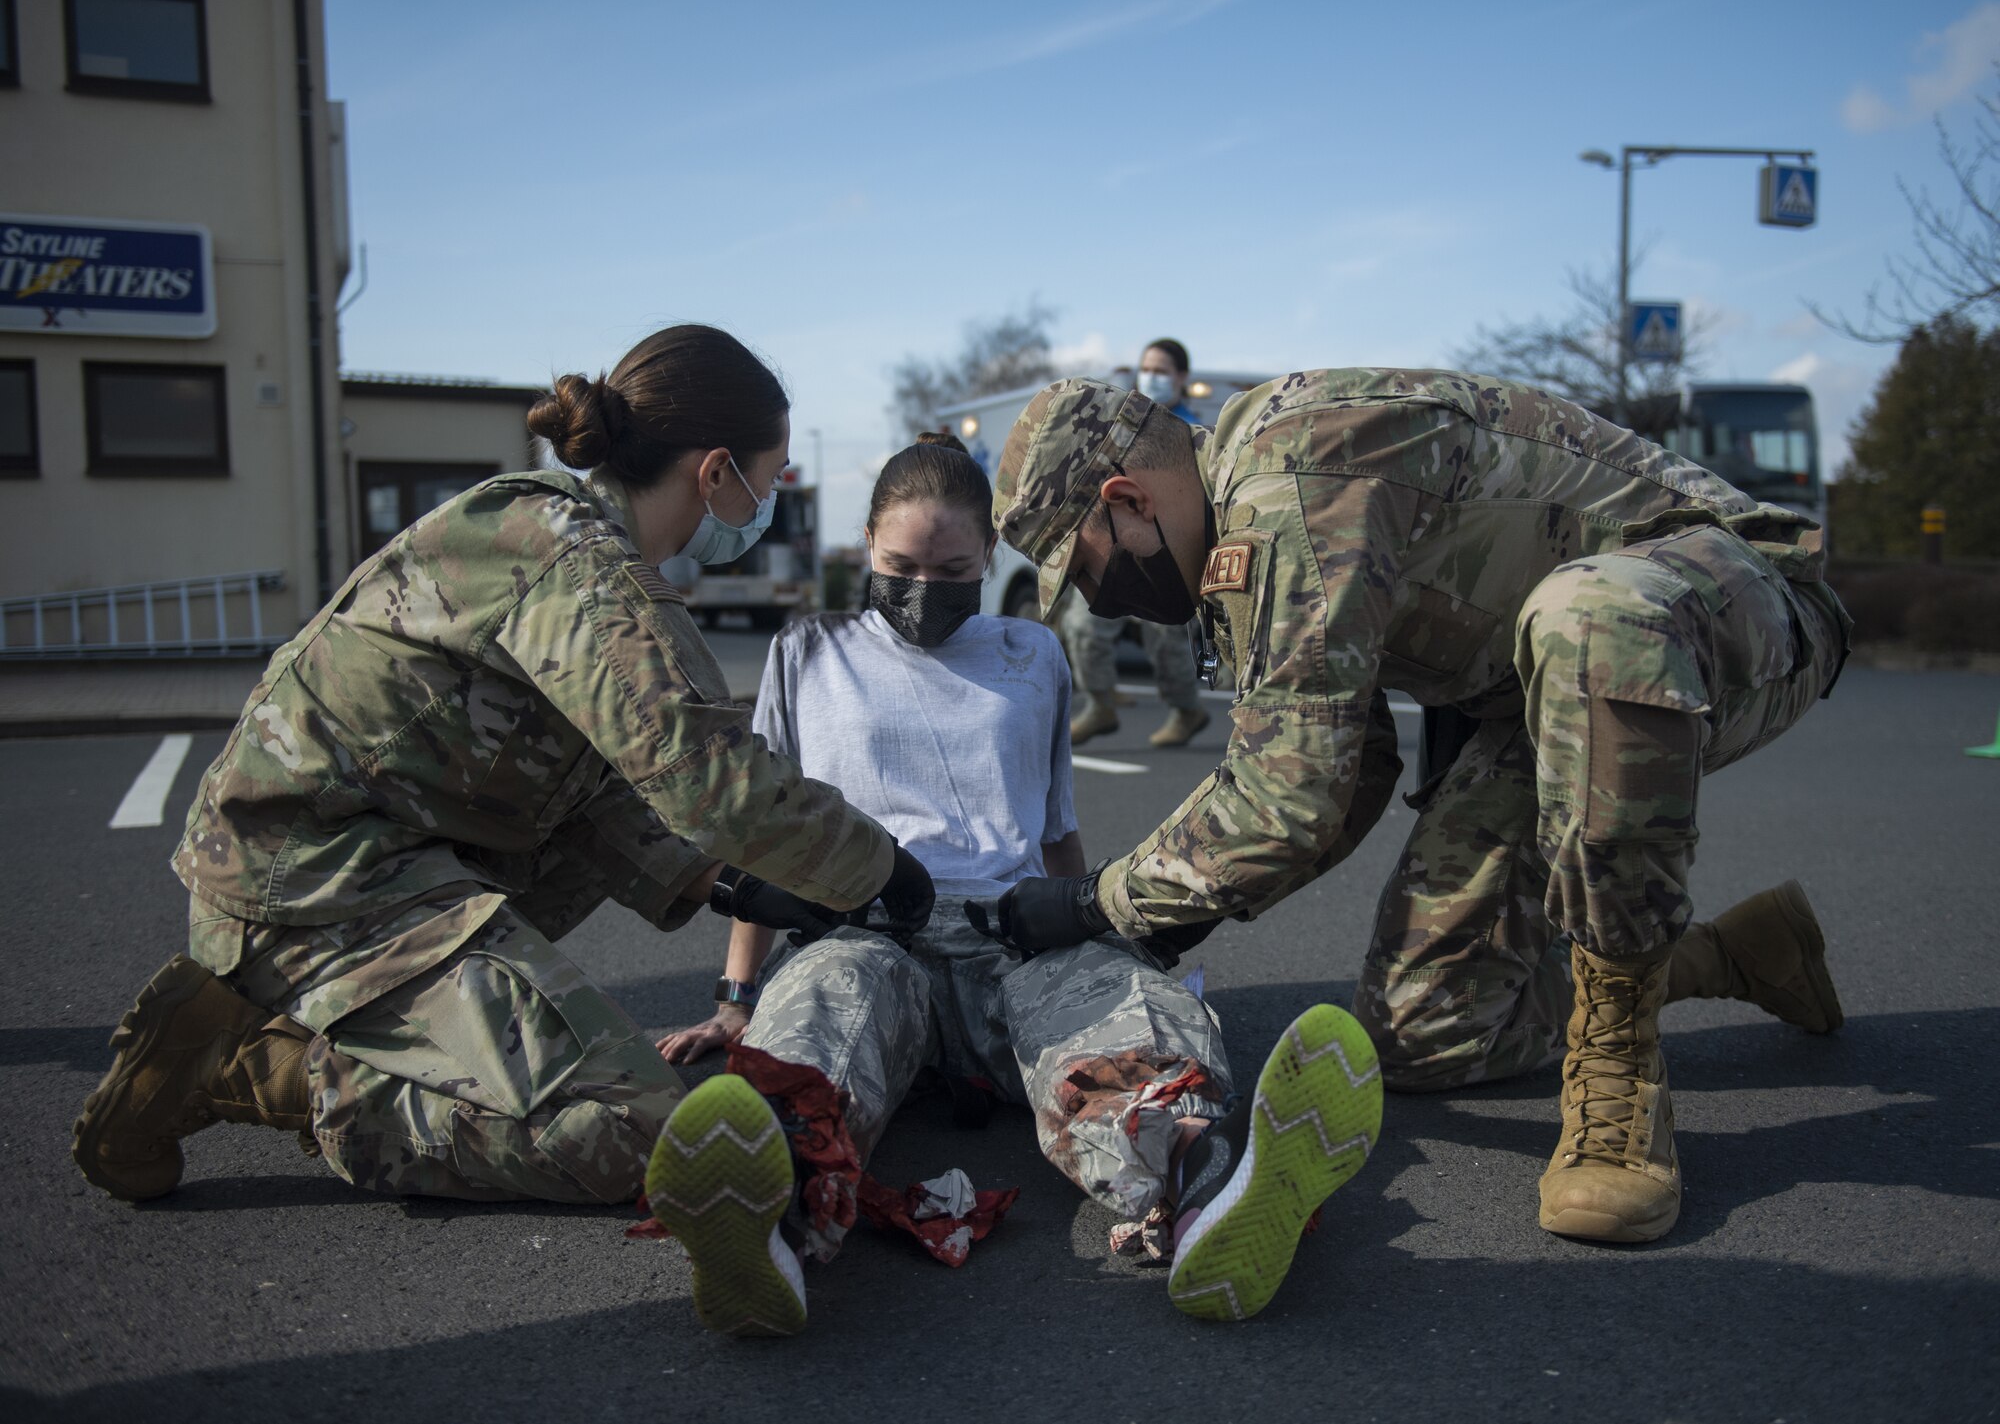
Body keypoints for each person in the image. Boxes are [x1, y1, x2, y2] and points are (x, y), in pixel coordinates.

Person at [980, 370, 1852, 1245]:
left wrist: (1095, 902)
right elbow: (1344, 765)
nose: (1099, 598)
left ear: (1127, 498)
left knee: (1591, 620)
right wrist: (1161, 928)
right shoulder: (1240, 518)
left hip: (1730, 613)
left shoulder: (1286, 483)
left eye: (1087, 566)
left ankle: (1620, 1062)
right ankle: (1738, 956)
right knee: (1426, 1031)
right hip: (1540, 700)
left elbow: (1287, 796)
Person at [71, 324, 935, 1207]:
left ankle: (247, 1027)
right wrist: (881, 868)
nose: (773, 498)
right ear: (716, 473)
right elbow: (708, 774)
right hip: (314, 876)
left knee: (599, 1045)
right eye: (773, 474)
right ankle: (267, 1069)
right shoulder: (579, 566)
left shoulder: (559, 532)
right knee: (633, 1132)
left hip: (368, 853)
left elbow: (600, 784)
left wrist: (730, 886)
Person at [647, 433, 1381, 1335]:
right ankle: (767, 1231)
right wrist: (735, 998)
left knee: (1123, 1032)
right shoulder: (808, 649)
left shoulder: (1033, 653)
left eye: (952, 565)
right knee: (819, 1024)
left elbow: (1057, 833)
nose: (924, 586)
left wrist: (1100, 939)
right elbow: (762, 839)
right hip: (865, 926)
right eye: (899, 563)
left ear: (989, 555)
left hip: (1013, 927)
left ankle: (1204, 1201)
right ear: (866, 543)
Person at [1059, 339, 1210, 748]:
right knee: (1083, 623)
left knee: (1164, 636)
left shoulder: (1191, 433)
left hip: (1160, 550)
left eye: (1161, 370)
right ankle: (1100, 704)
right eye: (1147, 368)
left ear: (1181, 378)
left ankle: (1186, 709)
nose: (1151, 377)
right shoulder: (1124, 427)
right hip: (1115, 544)